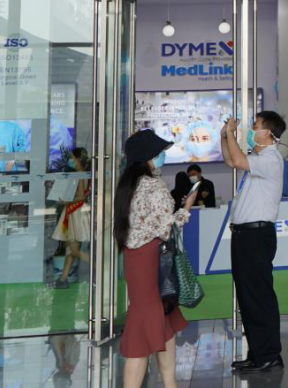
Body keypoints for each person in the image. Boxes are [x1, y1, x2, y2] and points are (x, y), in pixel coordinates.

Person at [116, 130, 200, 388]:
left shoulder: (129, 185)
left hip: (136, 258)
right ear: (148, 157)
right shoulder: (153, 186)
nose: (163, 156)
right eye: (160, 152)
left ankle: (170, 383)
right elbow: (167, 228)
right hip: (152, 259)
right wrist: (186, 208)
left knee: (162, 322)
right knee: (144, 326)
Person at [221, 111, 287, 371]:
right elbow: (231, 160)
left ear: (267, 132)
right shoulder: (258, 158)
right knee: (248, 296)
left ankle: (269, 354)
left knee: (258, 296)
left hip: (256, 236)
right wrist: (224, 136)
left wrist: (231, 133)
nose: (251, 129)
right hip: (245, 235)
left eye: (255, 126)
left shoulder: (271, 159)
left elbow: (237, 160)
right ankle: (258, 352)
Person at [51, 147, 92, 289]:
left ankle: (99, 266)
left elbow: (80, 196)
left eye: (72, 158)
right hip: (76, 212)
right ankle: (62, 279)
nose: (70, 160)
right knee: (70, 250)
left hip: (75, 213)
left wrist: (66, 201)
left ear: (77, 159)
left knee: (74, 250)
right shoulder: (84, 173)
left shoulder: (80, 175)